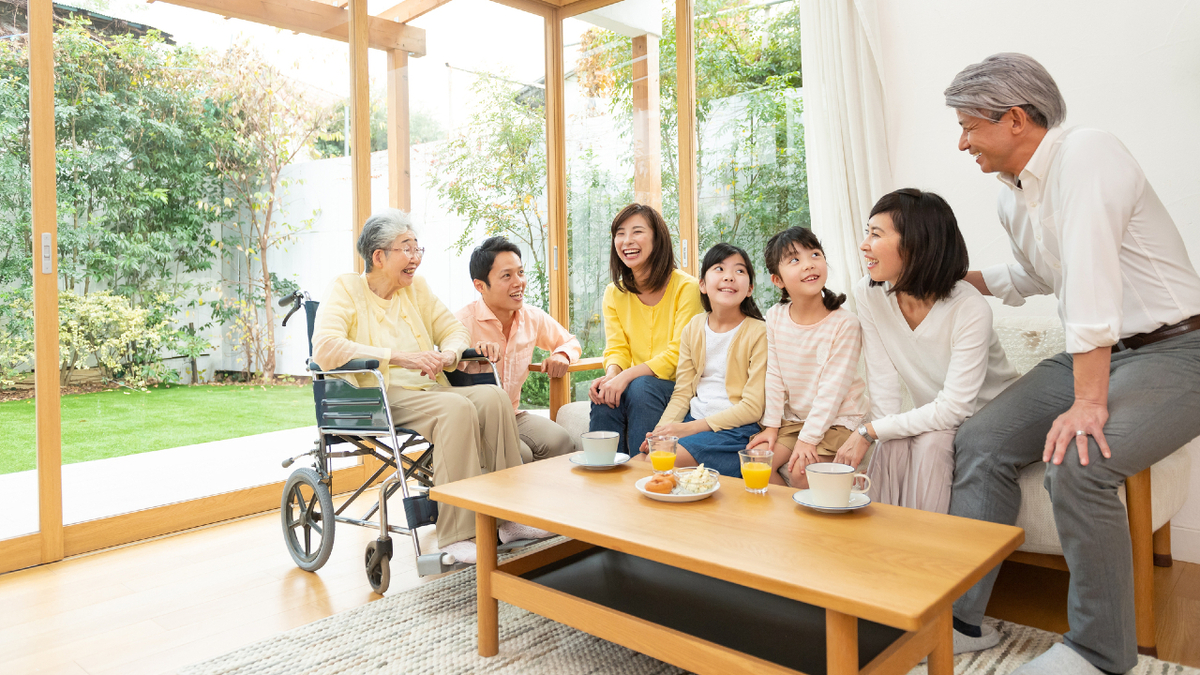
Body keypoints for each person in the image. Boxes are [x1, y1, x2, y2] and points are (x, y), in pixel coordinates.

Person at [943, 53, 1200, 675]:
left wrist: (1088, 403)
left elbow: (1089, 284)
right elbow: (1036, 276)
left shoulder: (1088, 153)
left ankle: (1101, 652)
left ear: (1013, 118)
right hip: (1099, 356)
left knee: (1078, 465)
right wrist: (949, 277)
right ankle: (962, 621)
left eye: (969, 125)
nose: (961, 142)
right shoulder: (1014, 198)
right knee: (980, 439)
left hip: (1178, 350)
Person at [311, 209, 549, 566]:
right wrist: (399, 358)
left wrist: (450, 352)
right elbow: (326, 347)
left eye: (417, 248)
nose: (416, 258)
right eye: (407, 249)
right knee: (457, 409)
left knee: (493, 397)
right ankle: (455, 535)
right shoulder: (346, 288)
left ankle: (510, 517)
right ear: (379, 256)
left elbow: (453, 330)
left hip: (430, 390)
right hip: (377, 396)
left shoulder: (416, 289)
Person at [831, 189, 1018, 514]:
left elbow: (955, 408)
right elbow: (884, 385)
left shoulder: (969, 306)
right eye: (867, 233)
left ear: (915, 243)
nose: (864, 245)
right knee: (893, 443)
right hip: (936, 416)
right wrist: (880, 431)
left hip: (987, 417)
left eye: (876, 234)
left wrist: (868, 430)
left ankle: (930, 556)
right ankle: (886, 550)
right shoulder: (869, 292)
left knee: (930, 444)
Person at [748, 227, 869, 487]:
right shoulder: (775, 317)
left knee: (801, 474)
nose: (808, 264)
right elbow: (774, 375)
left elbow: (833, 390)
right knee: (756, 465)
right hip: (795, 420)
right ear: (777, 280)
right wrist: (770, 426)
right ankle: (784, 526)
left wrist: (808, 439)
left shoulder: (845, 323)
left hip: (839, 419)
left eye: (815, 254)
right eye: (794, 259)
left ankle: (802, 526)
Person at [636, 243, 767, 477]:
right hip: (694, 421)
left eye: (739, 271)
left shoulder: (759, 332)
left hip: (734, 430)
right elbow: (683, 393)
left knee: (655, 464)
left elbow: (752, 408)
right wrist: (660, 433)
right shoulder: (694, 327)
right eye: (719, 268)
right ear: (703, 285)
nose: (729, 277)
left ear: (749, 289)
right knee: (638, 460)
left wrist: (686, 429)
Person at [589, 203, 705, 456]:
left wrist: (626, 377)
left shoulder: (688, 288)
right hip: (639, 384)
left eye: (637, 231)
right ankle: (601, 472)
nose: (627, 240)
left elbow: (679, 355)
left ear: (657, 239)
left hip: (678, 388)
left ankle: (643, 475)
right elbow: (617, 347)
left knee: (641, 386)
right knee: (603, 391)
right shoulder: (614, 292)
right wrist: (612, 375)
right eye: (620, 233)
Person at [455, 236, 582, 462]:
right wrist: (472, 353)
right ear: (480, 286)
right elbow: (446, 364)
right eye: (507, 275)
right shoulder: (462, 323)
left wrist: (561, 355)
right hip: (473, 420)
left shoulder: (531, 317)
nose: (519, 282)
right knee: (520, 454)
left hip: (512, 415)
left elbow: (570, 341)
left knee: (560, 441)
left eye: (521, 273)